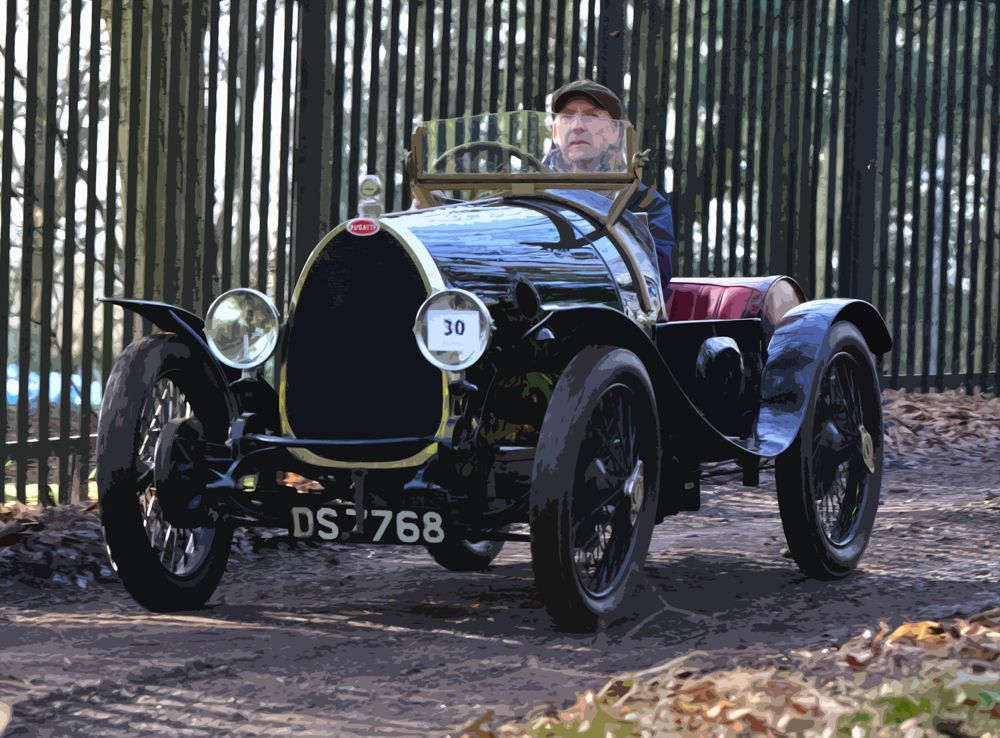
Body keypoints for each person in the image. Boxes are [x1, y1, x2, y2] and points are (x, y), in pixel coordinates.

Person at [546, 79, 676, 286]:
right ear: (555, 133)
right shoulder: (527, 196)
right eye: (567, 116)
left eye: (593, 116)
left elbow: (652, 278)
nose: (578, 125)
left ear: (616, 132)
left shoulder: (644, 202)